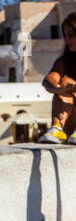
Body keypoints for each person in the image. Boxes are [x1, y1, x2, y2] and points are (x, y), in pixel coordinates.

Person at [38, 12, 76, 144]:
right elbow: (49, 80)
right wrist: (59, 89)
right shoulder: (64, 61)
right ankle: (57, 129)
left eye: (71, 35)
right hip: (71, 123)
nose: (66, 40)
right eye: (65, 35)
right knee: (64, 82)